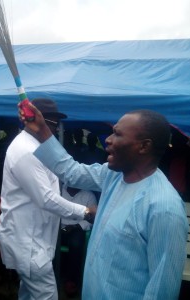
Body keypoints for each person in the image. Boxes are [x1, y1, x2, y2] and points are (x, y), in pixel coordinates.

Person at [19, 104, 189, 300]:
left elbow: (161, 291)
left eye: (117, 134)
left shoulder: (163, 208)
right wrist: (42, 130)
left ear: (144, 146)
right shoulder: (113, 175)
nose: (107, 140)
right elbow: (71, 172)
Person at [0, 98, 96, 300]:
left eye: (55, 124)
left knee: (27, 294)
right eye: (51, 123)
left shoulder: (38, 147)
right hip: (29, 243)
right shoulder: (26, 150)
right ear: (35, 121)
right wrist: (85, 212)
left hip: (36, 239)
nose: (53, 129)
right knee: (47, 296)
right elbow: (47, 198)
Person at [60, 185, 97, 297]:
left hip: (77, 229)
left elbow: (92, 219)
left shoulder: (89, 195)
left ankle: (72, 280)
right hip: (57, 227)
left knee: (76, 244)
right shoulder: (58, 190)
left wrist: (76, 227)